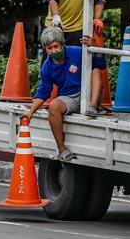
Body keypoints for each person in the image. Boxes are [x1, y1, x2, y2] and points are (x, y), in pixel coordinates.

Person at [21, 27, 107, 162]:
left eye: (56, 46)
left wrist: (95, 45)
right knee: (54, 105)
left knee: (95, 70)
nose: (53, 50)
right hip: (68, 98)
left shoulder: (77, 51)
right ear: (45, 49)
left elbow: (101, 64)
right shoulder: (46, 67)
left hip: (89, 92)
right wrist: (30, 113)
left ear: (62, 44)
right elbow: (43, 92)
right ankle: (62, 149)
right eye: (49, 48)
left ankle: (94, 107)